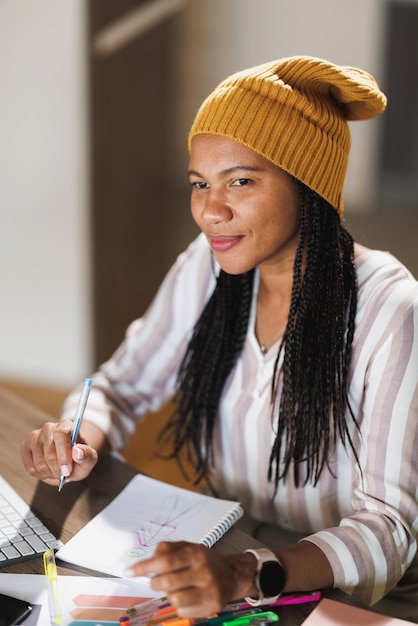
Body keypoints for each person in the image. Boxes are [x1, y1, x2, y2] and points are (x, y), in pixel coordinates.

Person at [20, 56, 418, 621]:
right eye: (200, 183)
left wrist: (246, 571)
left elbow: (389, 531)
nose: (210, 211)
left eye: (241, 181)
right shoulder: (205, 269)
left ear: (310, 187)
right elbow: (120, 387)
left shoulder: (391, 310)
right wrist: (77, 435)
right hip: (225, 547)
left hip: (339, 585)